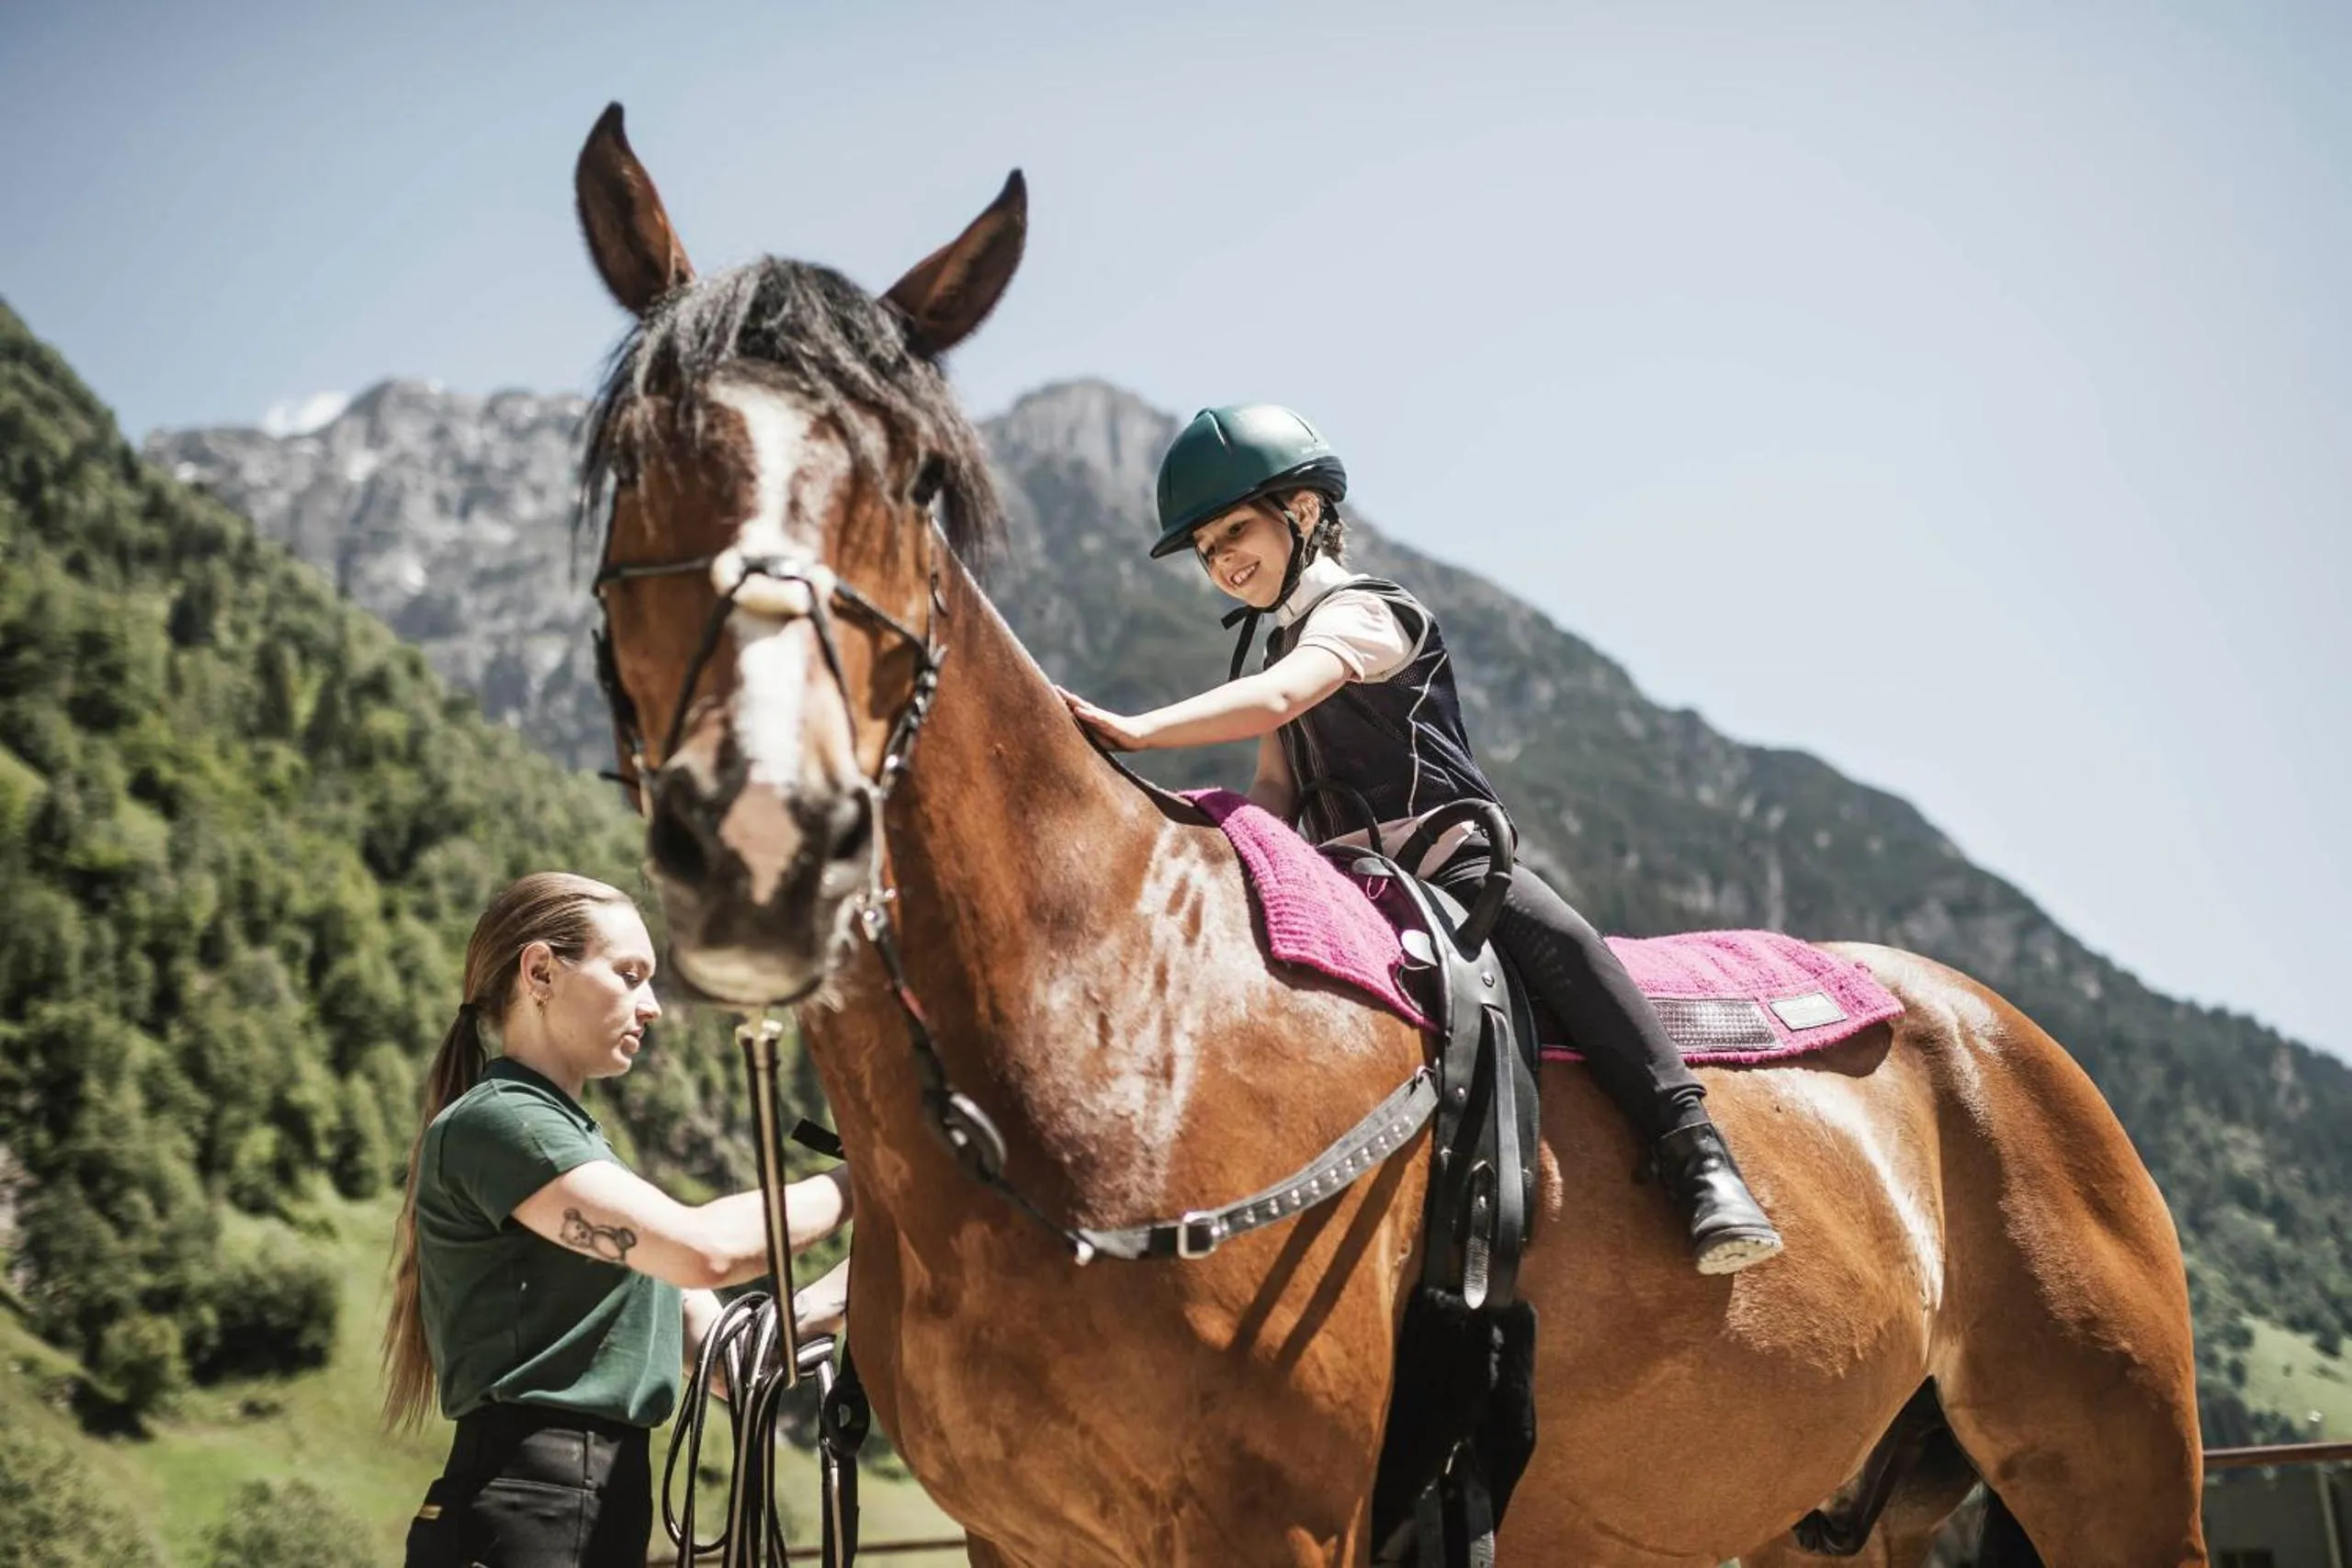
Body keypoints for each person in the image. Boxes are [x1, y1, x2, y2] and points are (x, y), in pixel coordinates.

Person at [1057, 404, 1782, 1275]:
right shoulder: (1279, 649)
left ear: (1305, 510)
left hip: (1456, 872)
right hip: (1351, 893)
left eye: (1236, 529)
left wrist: (1134, 732)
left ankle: (1695, 1151)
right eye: (1207, 549)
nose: (1223, 560)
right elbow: (1277, 789)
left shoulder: (1365, 616)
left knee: (1565, 945)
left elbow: (1286, 698)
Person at [383, 871, 853, 1566]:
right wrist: (868, 1178)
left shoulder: (578, 1151)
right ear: (540, 970)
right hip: (530, 1512)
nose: (653, 1005)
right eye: (630, 974)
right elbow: (707, 1252)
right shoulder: (502, 1121)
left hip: (574, 1512)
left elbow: (729, 1359)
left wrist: (907, 1238)